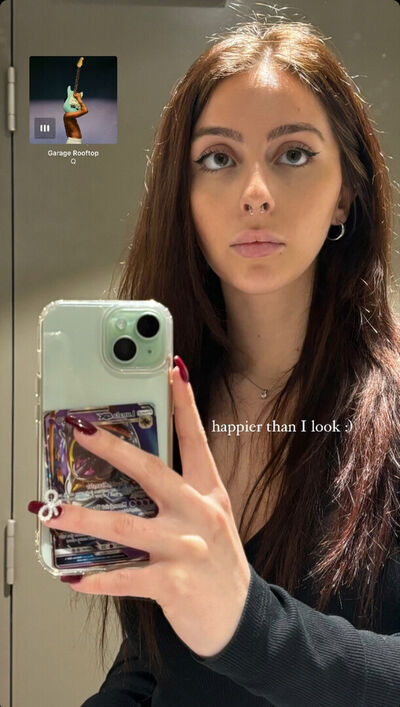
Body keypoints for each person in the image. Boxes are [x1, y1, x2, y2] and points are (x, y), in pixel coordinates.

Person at [28, 15, 400, 706]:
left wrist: (246, 624)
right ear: (186, 198)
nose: (255, 190)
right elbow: (157, 668)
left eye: (293, 153)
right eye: (218, 159)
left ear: (345, 194)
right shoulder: (161, 406)